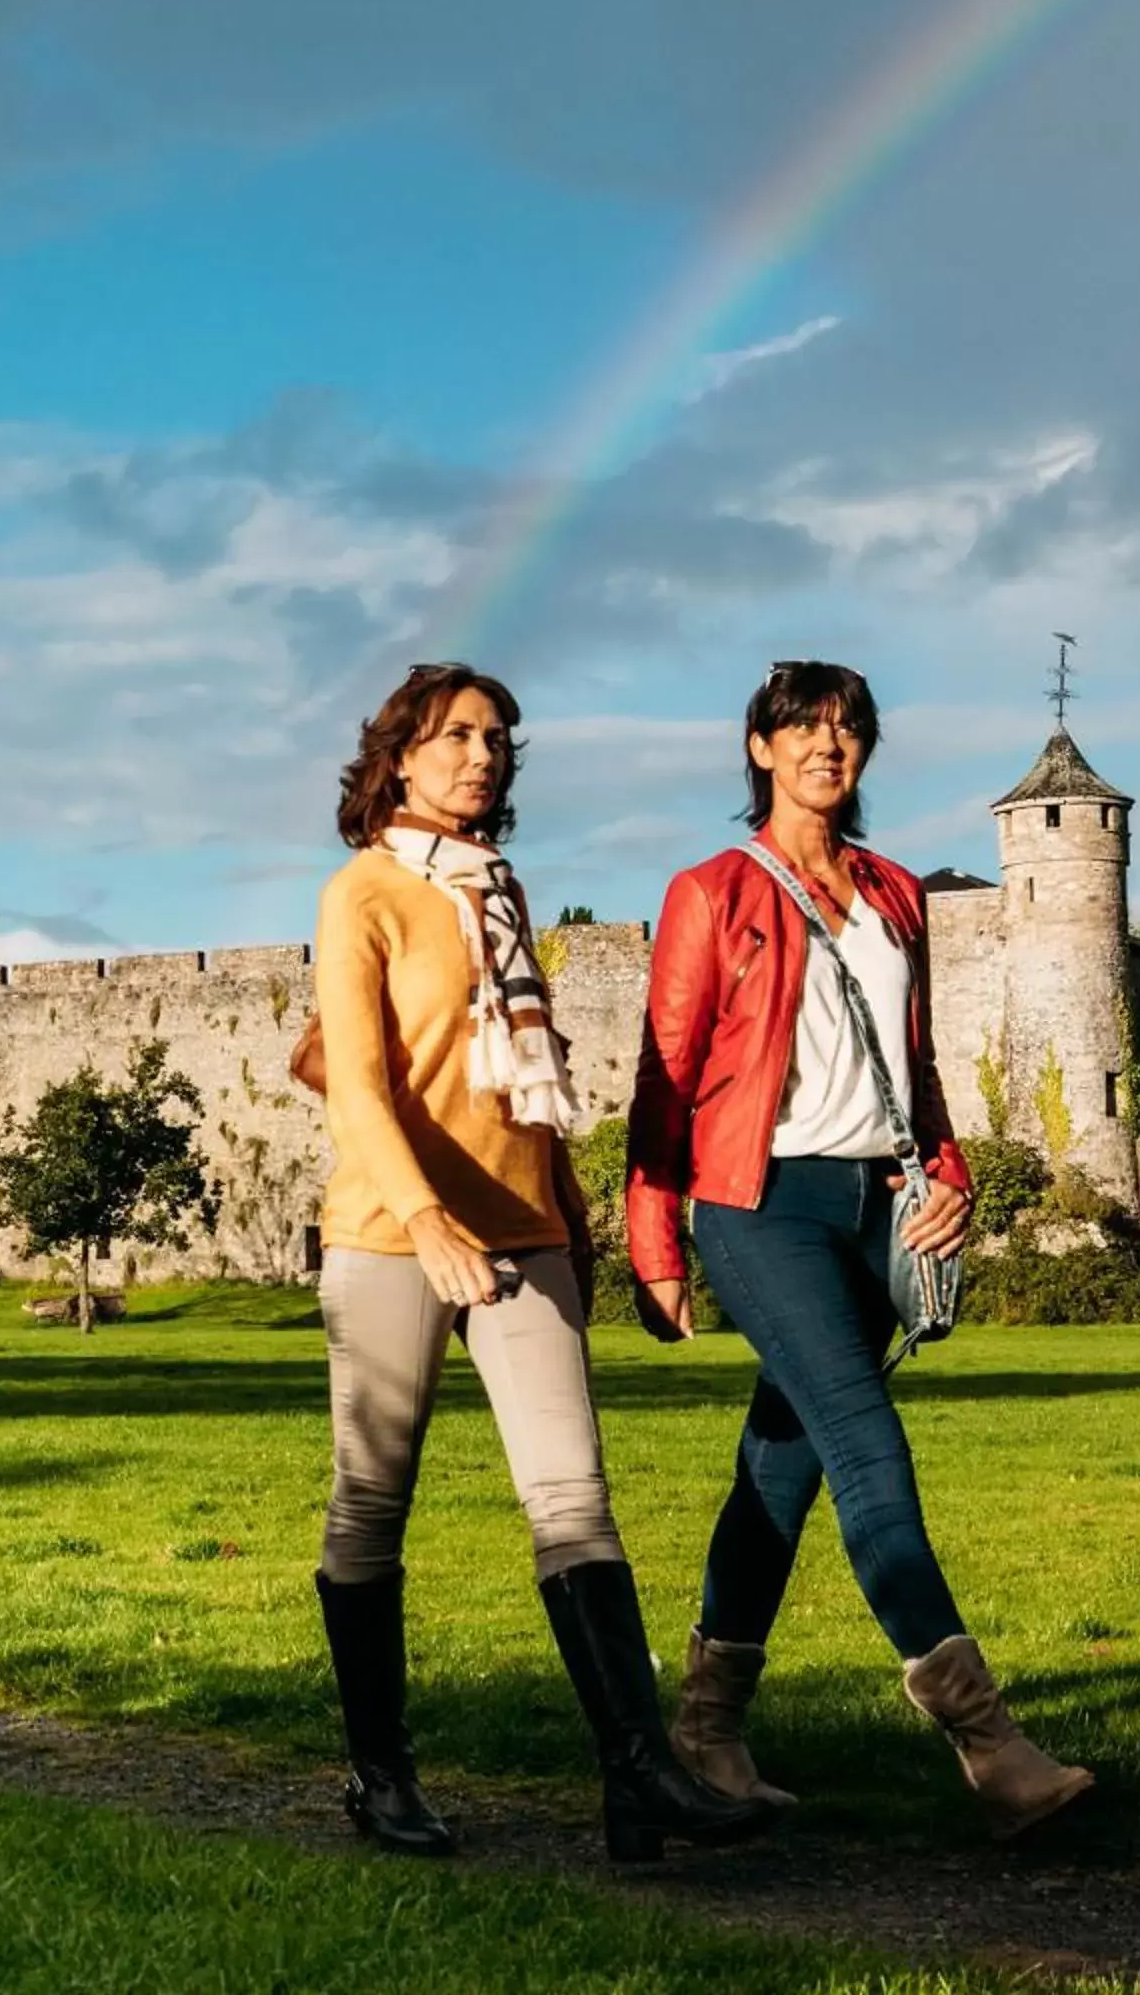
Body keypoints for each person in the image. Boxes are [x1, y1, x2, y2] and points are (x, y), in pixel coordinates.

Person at [311, 664, 777, 1864]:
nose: (483, 754)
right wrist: (424, 1220)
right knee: (371, 1504)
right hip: (392, 1231)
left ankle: (638, 1778)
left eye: (499, 738)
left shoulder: (500, 892)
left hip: (523, 1233)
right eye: (457, 734)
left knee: (574, 1501)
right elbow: (360, 1085)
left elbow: (524, 1094)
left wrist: (570, 1215)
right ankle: (380, 1774)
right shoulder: (363, 891)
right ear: (399, 755)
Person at [628, 660, 1092, 1839]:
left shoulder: (892, 889)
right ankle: (989, 1744)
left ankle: (706, 1729)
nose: (830, 746)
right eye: (806, 728)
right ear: (760, 747)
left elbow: (915, 1068)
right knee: (865, 1445)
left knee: (780, 1464)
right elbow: (665, 1077)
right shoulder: (712, 889)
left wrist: (951, 1182)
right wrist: (656, 1242)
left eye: (849, 730)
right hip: (759, 1202)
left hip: (880, 1200)